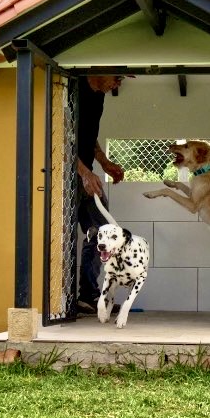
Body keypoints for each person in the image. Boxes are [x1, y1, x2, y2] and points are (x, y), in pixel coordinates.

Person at [74, 74, 127, 314]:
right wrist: (84, 173)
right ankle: (76, 298)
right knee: (98, 232)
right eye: (116, 77)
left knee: (101, 232)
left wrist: (104, 163)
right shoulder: (74, 91)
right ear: (100, 70)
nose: (118, 84)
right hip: (66, 176)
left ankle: (88, 296)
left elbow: (88, 136)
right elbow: (61, 138)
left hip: (85, 173)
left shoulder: (98, 98)